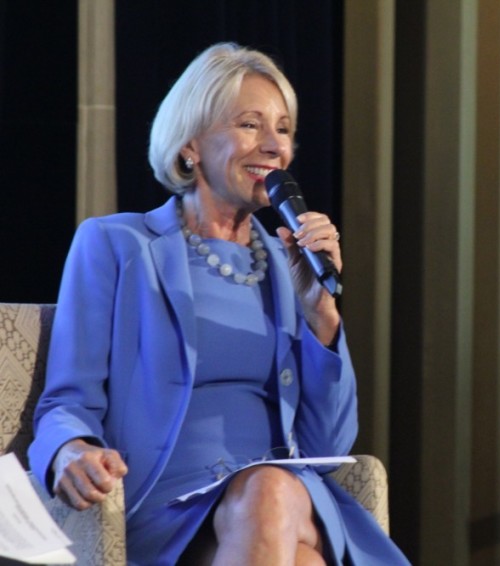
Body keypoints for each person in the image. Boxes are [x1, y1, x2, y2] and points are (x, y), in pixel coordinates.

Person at [28, 42, 409, 565]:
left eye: (283, 129)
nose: (273, 145)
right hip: (162, 506)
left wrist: (321, 315)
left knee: (269, 493)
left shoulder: (290, 265)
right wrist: (71, 448)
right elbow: (66, 400)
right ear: (190, 144)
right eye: (250, 125)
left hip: (280, 495)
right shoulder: (116, 245)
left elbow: (328, 445)